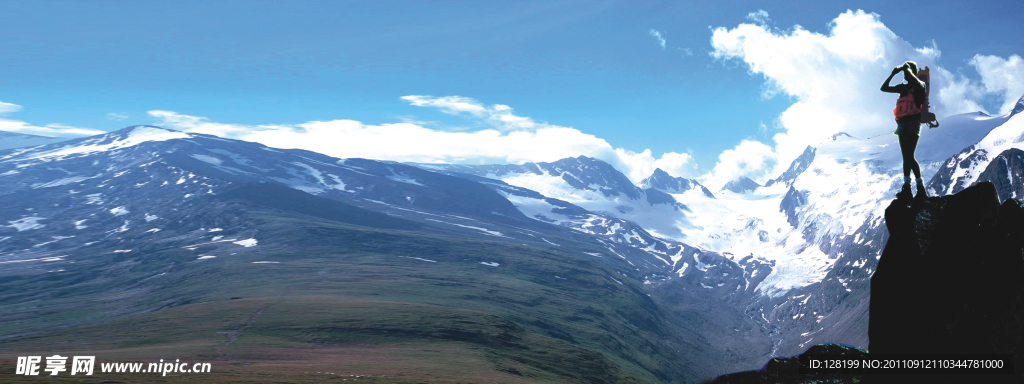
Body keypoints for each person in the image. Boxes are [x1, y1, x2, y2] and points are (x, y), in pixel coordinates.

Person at [881, 61, 928, 199]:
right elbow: (883, 88)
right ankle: (907, 187)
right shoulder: (903, 88)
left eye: (908, 72)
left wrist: (906, 69)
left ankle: (920, 187)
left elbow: (914, 80)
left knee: (909, 156)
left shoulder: (920, 85)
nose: (905, 75)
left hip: (913, 123)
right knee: (905, 157)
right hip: (902, 124)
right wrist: (893, 74)